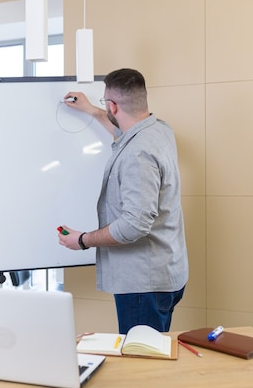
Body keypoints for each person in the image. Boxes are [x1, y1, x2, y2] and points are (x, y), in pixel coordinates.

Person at [58, 68, 188, 334]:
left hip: (143, 285)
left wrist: (82, 240)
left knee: (141, 368)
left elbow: (134, 225)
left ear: (113, 106)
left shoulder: (138, 154)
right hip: (165, 274)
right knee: (153, 359)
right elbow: (124, 135)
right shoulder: (159, 130)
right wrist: (93, 110)